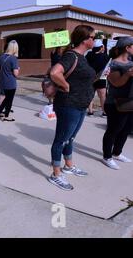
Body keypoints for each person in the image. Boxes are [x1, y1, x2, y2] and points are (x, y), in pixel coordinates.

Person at [48, 25, 96, 191]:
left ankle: (68, 165)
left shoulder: (82, 57)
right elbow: (55, 72)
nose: (95, 41)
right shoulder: (71, 56)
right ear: (85, 40)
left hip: (80, 105)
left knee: (71, 138)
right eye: (93, 37)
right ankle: (56, 173)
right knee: (61, 139)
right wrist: (66, 86)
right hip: (68, 105)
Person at [101, 37, 133, 170]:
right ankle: (107, 156)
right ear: (127, 47)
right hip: (115, 103)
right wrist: (128, 74)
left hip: (130, 101)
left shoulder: (131, 62)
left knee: (126, 129)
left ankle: (117, 152)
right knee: (113, 130)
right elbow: (116, 83)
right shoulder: (114, 64)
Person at [0, 41, 20, 122]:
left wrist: (0, 71)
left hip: (2, 81)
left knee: (5, 98)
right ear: (15, 48)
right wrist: (18, 69)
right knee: (9, 100)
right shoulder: (13, 58)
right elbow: (16, 74)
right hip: (10, 82)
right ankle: (6, 115)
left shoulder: (1, 57)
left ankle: (0, 113)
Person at [86, 40, 109, 116]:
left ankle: (90, 111)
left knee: (90, 95)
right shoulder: (105, 56)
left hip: (90, 77)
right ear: (101, 47)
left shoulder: (89, 54)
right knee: (103, 96)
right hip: (101, 78)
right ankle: (105, 112)